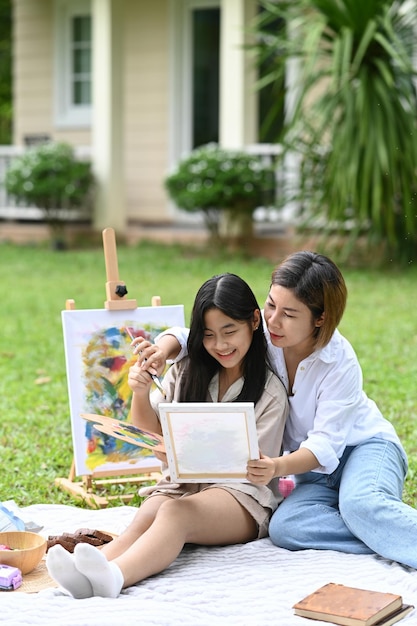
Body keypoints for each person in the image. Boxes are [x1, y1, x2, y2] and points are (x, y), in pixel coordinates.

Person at [151, 251, 417, 570]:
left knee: (361, 504)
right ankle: (384, 535)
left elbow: (326, 445)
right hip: (311, 473)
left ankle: (378, 524)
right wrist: (163, 349)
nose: (273, 321)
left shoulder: (340, 362)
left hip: (365, 449)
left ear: (320, 318)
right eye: (271, 305)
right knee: (286, 528)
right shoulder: (264, 331)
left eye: (289, 314)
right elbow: (194, 335)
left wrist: (276, 467)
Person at [46, 273, 288, 598]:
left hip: (241, 498)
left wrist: (200, 454)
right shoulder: (188, 370)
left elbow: (252, 471)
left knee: (175, 514)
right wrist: (140, 391)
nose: (220, 344)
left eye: (230, 331)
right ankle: (87, 570)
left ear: (254, 321)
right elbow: (149, 432)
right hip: (182, 483)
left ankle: (115, 576)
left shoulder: (271, 391)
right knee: (148, 511)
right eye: (209, 335)